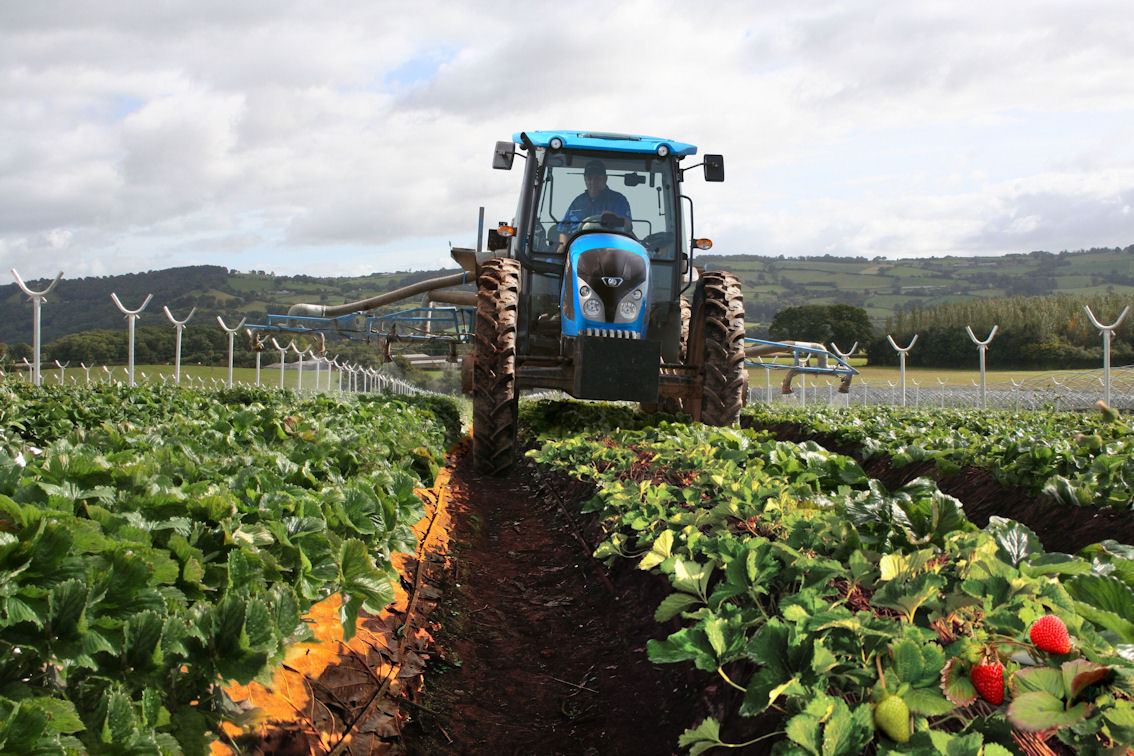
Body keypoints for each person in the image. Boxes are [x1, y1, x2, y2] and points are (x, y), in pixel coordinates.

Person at [557, 160, 631, 251]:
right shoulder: (577, 202)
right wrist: (562, 246)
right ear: (585, 179)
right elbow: (564, 229)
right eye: (589, 178)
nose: (593, 182)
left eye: (597, 178)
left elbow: (627, 226)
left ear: (605, 179)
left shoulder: (618, 199)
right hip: (578, 248)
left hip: (609, 248)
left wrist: (615, 218)